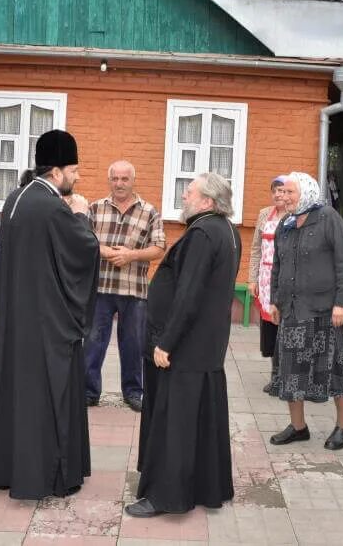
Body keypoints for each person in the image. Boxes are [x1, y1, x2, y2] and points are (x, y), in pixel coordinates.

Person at [0, 129, 100, 500]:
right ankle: (46, 474)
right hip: (44, 323)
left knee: (15, 392)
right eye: (74, 170)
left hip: (16, 316)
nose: (76, 178)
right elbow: (81, 252)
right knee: (44, 395)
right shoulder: (52, 206)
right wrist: (80, 216)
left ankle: (9, 468)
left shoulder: (16, 197)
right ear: (57, 172)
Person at [125, 173, 242, 518]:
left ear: (207, 201)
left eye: (189, 192)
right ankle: (208, 488)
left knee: (175, 424)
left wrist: (166, 342)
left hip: (186, 348)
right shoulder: (226, 230)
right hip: (206, 345)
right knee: (201, 422)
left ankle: (166, 497)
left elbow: (188, 295)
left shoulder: (203, 233)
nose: (184, 197)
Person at [268, 171, 343, 451]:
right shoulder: (286, 223)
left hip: (325, 311)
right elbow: (278, 264)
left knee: (335, 369)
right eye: (283, 192)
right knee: (291, 370)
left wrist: (342, 303)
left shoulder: (328, 218)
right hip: (292, 309)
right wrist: (275, 300)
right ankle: (298, 427)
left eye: (290, 192)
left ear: (305, 192)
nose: (285, 197)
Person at [85, 160, 166, 412]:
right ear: (109, 180)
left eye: (124, 179)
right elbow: (82, 240)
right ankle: (88, 391)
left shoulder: (149, 211)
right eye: (115, 179)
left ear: (133, 180)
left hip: (134, 289)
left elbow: (159, 248)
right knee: (93, 342)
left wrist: (131, 255)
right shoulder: (95, 208)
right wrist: (107, 252)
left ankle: (133, 392)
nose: (119, 184)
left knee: (133, 343)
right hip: (100, 288)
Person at [248, 175, 287, 395]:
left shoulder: (295, 216)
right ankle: (275, 376)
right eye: (275, 191)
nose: (278, 195)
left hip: (285, 279)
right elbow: (255, 248)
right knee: (270, 329)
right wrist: (252, 278)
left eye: (282, 191)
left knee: (285, 327)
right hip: (265, 278)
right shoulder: (264, 214)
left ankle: (285, 378)